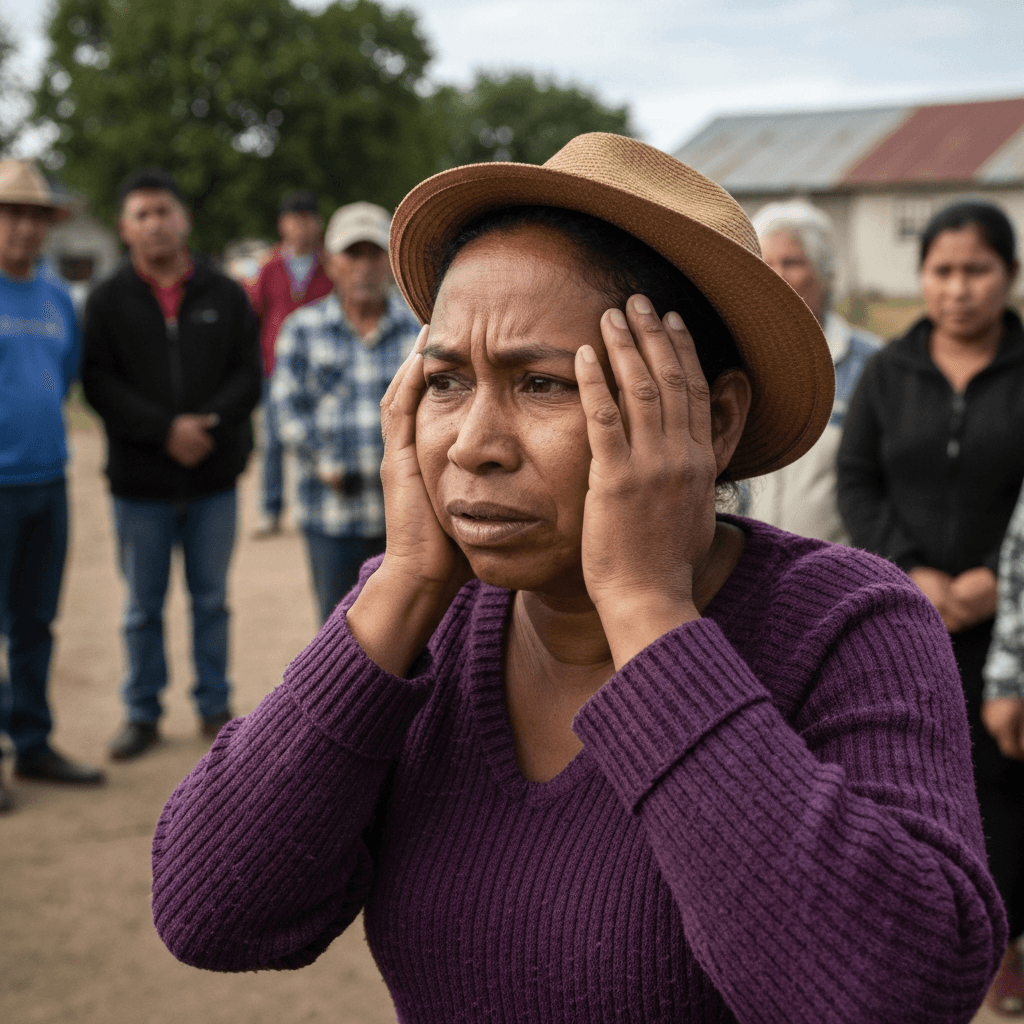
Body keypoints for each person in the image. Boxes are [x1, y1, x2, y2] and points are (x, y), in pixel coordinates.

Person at [152, 135, 1004, 1023]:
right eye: (446, 380)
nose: (475, 444)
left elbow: (896, 995)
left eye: (543, 386)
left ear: (711, 421)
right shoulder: (422, 624)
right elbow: (211, 914)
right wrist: (404, 580)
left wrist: (645, 608)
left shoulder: (849, 625)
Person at [837, 199, 1023, 1016]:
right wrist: (909, 569)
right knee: (912, 771)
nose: (957, 290)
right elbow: (857, 481)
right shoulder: (888, 373)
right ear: (921, 279)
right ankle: (926, 938)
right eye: (942, 271)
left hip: (1012, 622)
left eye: (976, 270)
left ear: (1009, 278)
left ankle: (1005, 942)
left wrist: (993, 578)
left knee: (1008, 781)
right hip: (907, 615)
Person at [82, 168, 261, 762]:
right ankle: (143, 712)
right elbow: (98, 384)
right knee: (141, 608)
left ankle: (214, 705)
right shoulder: (107, 300)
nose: (155, 223)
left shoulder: (226, 293)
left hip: (213, 480)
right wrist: (164, 432)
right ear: (124, 228)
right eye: (142, 214)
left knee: (211, 600)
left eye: (164, 211)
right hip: (140, 486)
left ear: (183, 218)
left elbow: (248, 375)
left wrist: (205, 426)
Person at [0, 159, 105, 808]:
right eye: (12, 214)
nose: (25, 228)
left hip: (48, 480)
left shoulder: (55, 297)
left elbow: (64, 377)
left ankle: (33, 745)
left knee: (36, 622)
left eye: (36, 216)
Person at [270, 201, 419, 625]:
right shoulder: (302, 330)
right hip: (330, 513)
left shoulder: (420, 331)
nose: (363, 267)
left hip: (404, 517)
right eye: (352, 254)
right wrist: (328, 464)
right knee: (338, 632)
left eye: (373, 254)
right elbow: (287, 412)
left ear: (390, 263)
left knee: (410, 630)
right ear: (331, 263)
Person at [746, 200, 879, 542]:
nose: (775, 277)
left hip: (838, 569)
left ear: (824, 274)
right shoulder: (737, 361)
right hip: (745, 566)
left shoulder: (868, 363)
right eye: (764, 264)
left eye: (791, 263)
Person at [246, 190, 332, 538]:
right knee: (274, 441)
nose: (301, 226)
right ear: (283, 224)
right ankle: (271, 508)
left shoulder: (330, 266)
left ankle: (318, 499)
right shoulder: (269, 266)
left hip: (322, 369)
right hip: (276, 369)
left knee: (320, 435)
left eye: (308, 218)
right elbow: (254, 312)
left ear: (318, 223)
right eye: (294, 218)